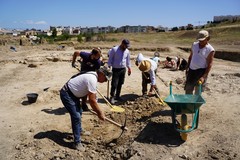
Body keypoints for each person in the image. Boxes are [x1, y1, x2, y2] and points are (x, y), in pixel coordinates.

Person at [60, 66, 112, 151]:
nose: (105, 81)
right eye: (105, 79)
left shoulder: (93, 77)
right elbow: (92, 101)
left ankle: (79, 130)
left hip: (74, 94)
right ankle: (77, 143)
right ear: (101, 74)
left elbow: (85, 91)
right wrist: (100, 113)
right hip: (67, 94)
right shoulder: (92, 79)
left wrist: (83, 103)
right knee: (76, 116)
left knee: (79, 111)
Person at [185, 30, 215, 94]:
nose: (200, 41)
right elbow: (191, 56)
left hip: (201, 72)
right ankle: (188, 103)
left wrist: (204, 76)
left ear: (207, 39)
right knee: (188, 89)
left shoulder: (210, 50)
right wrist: (187, 67)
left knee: (198, 92)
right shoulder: (194, 45)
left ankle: (195, 104)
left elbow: (210, 64)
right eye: (199, 40)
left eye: (202, 40)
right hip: (191, 70)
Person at [107, 39, 131, 104]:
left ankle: (117, 96)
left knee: (120, 83)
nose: (126, 47)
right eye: (125, 46)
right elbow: (110, 59)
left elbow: (128, 61)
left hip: (123, 69)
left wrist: (129, 68)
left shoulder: (127, 51)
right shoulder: (114, 49)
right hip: (115, 69)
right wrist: (108, 66)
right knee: (114, 84)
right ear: (122, 44)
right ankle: (112, 96)